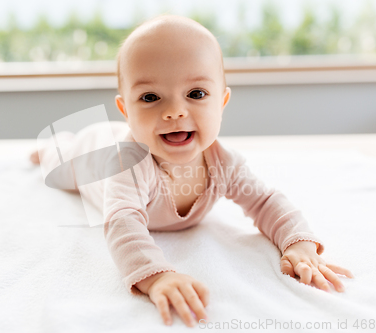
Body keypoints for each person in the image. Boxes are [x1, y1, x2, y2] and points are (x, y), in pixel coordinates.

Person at [30, 14, 354, 328]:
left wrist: (298, 243)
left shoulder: (222, 163)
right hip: (93, 153)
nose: (174, 111)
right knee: (62, 163)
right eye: (150, 97)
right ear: (126, 109)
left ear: (222, 102)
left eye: (196, 94)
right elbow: (121, 221)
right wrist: (156, 275)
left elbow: (266, 201)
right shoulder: (126, 165)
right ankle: (54, 146)